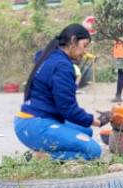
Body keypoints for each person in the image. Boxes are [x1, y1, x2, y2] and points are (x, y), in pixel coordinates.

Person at [15, 24, 106, 161]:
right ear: (73, 41)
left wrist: (89, 122)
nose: (85, 51)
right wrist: (95, 121)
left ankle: (46, 150)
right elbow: (67, 109)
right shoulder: (62, 67)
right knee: (93, 151)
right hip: (35, 126)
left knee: (86, 131)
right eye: (84, 45)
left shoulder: (49, 58)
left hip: (31, 122)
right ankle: (41, 158)